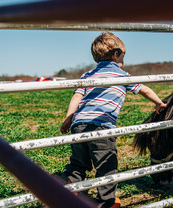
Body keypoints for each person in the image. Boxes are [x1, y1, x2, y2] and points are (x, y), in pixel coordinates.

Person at [60, 32, 166, 208]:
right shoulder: (122, 75)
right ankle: (107, 202)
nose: (124, 59)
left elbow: (76, 98)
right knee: (106, 165)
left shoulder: (87, 75)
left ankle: (72, 187)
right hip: (101, 127)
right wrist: (159, 104)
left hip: (79, 125)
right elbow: (144, 90)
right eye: (123, 55)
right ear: (116, 54)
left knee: (78, 163)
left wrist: (68, 118)